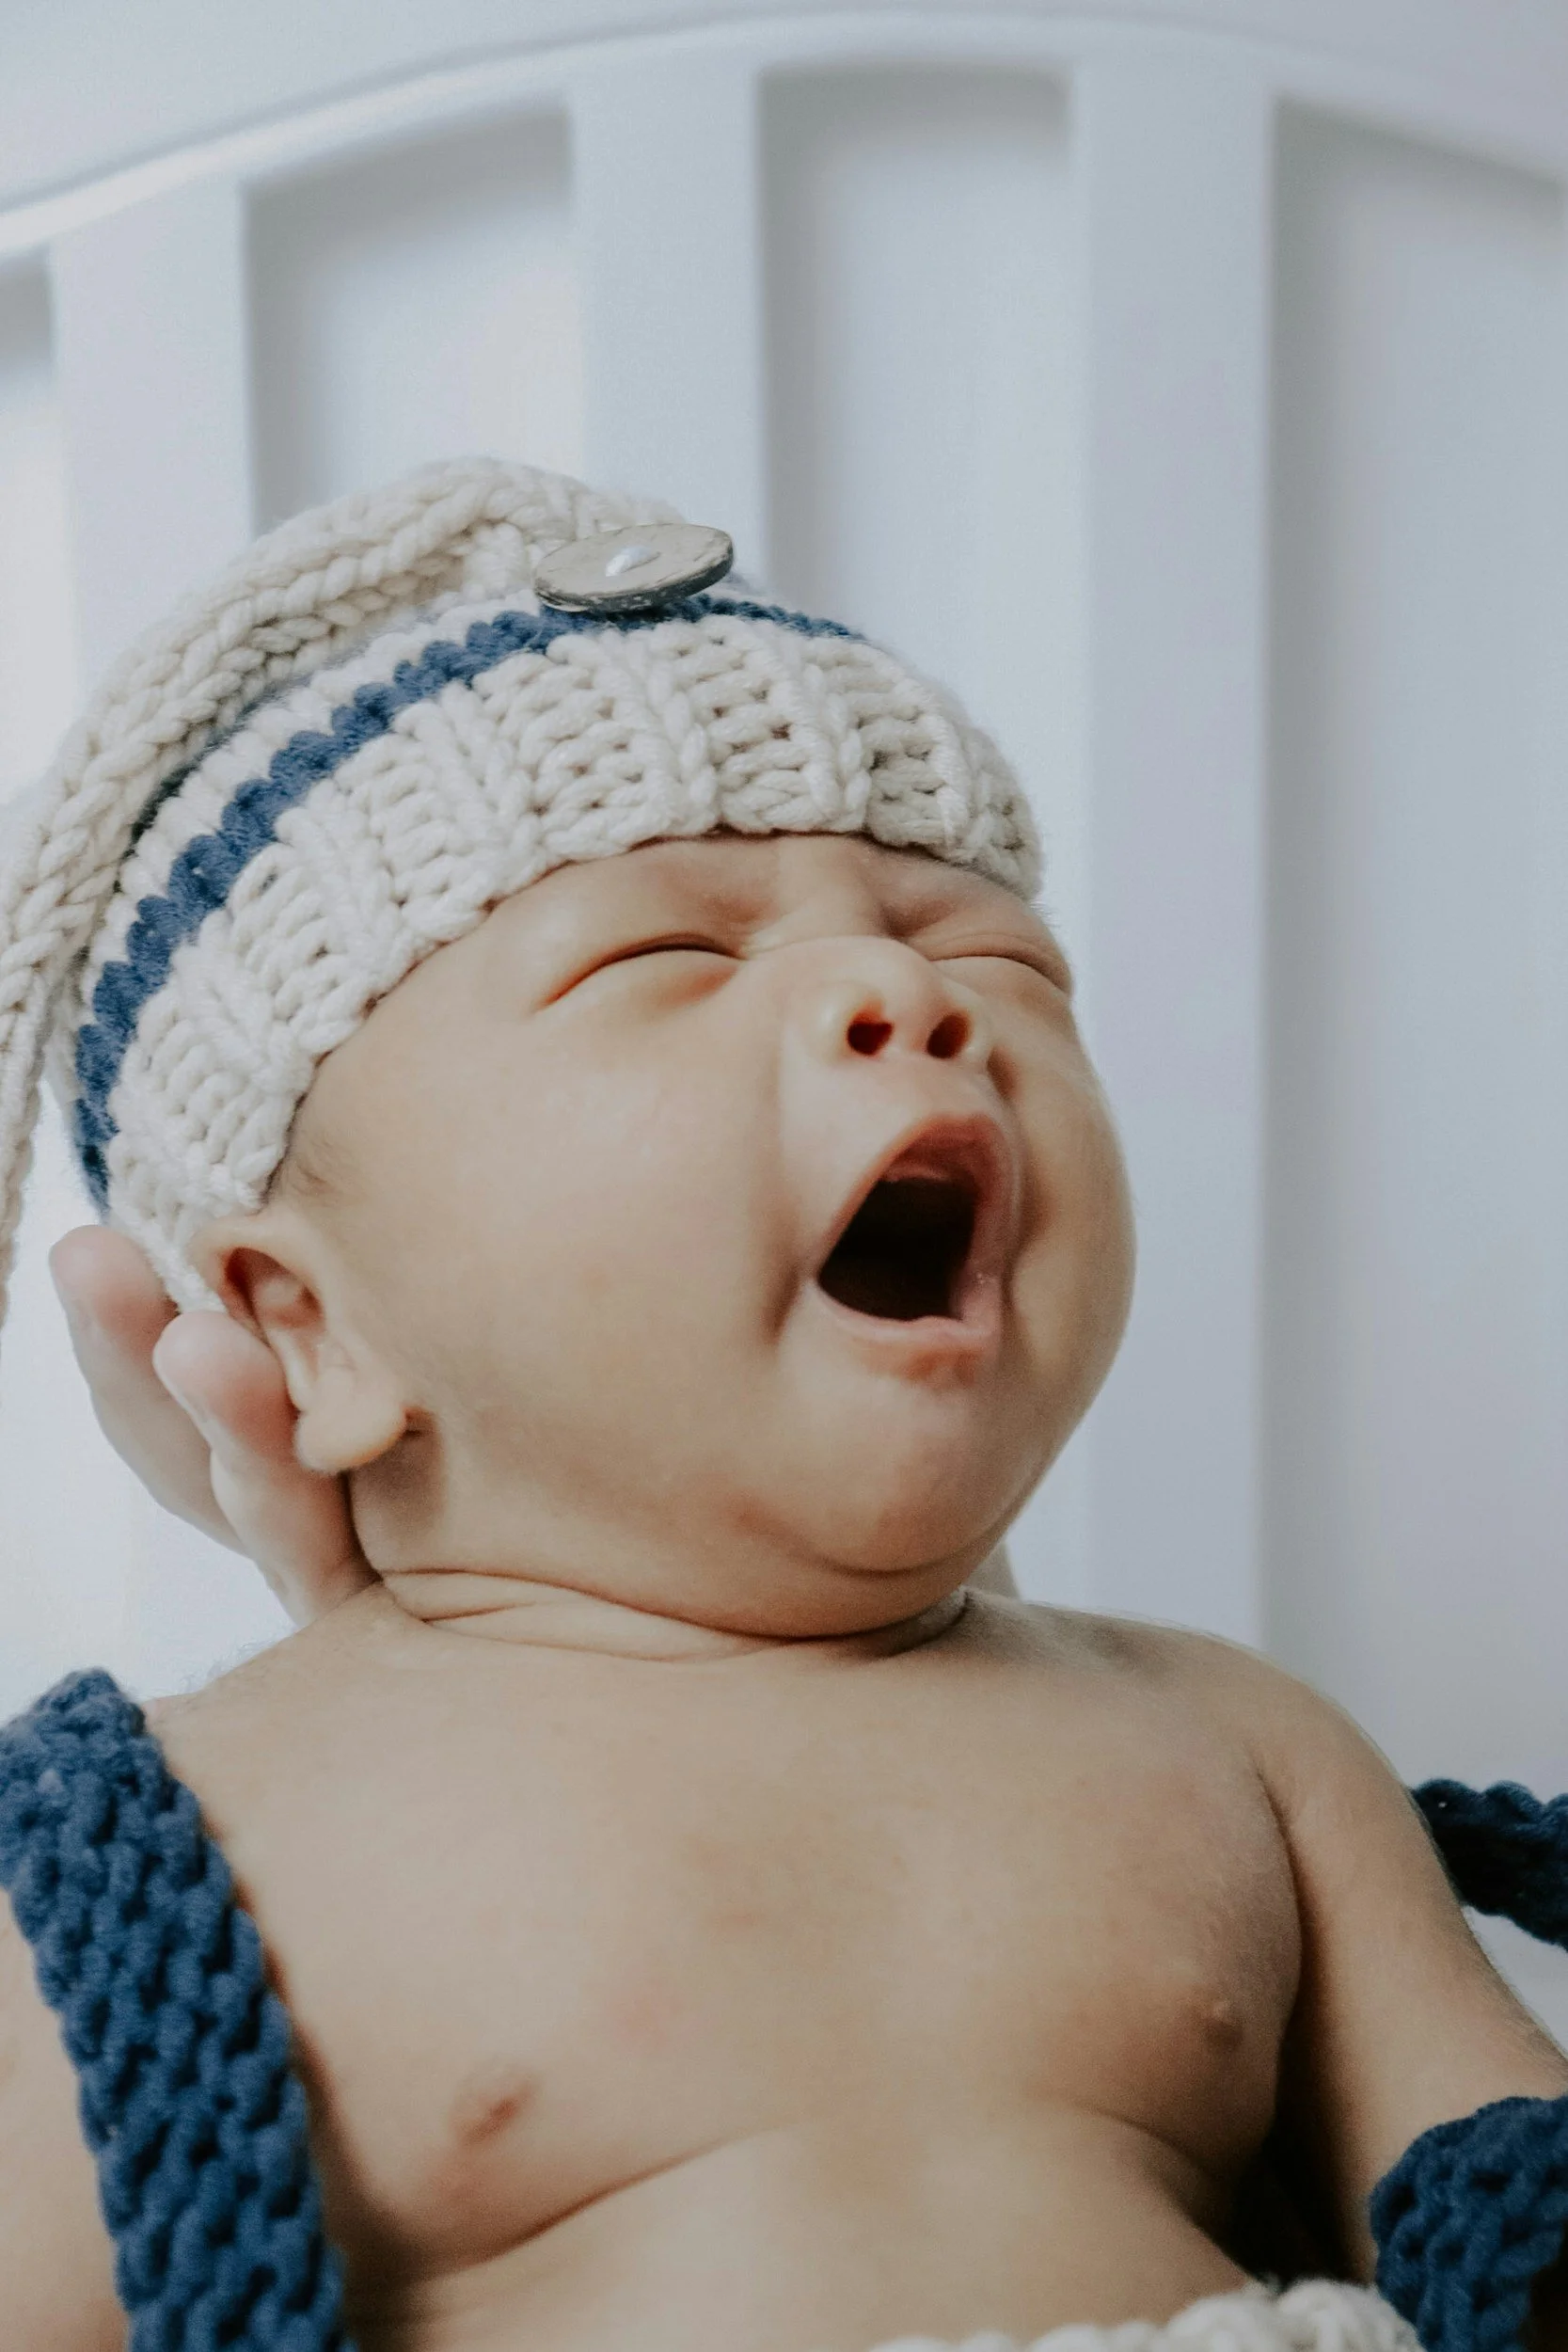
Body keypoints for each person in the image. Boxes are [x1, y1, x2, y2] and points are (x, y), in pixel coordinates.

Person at [0, 458, 1562, 2352]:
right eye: (670, 951)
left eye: (989, 951)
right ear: (301, 1326)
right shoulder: (165, 1843)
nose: (899, 993)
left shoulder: (1229, 1741)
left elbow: (1510, 2208)